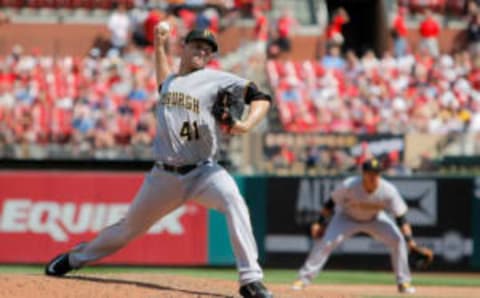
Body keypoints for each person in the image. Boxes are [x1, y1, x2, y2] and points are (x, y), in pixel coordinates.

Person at [45, 26, 273, 298]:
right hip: (164, 177)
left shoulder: (216, 78)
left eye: (208, 49)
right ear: (184, 47)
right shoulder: (171, 83)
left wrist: (246, 124)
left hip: (204, 172)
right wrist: (159, 45)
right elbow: (164, 82)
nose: (203, 51)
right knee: (127, 229)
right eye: (198, 45)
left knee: (234, 200)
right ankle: (73, 259)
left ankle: (250, 280)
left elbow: (261, 97)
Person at [292, 158, 417, 294]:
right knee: (326, 242)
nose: (374, 177)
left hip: (374, 219)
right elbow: (330, 203)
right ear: (363, 174)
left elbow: (401, 219)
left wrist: (409, 240)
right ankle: (303, 279)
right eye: (370, 173)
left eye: (376, 173)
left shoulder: (388, 190)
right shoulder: (349, 185)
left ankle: (403, 282)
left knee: (397, 240)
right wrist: (319, 222)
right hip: (346, 218)